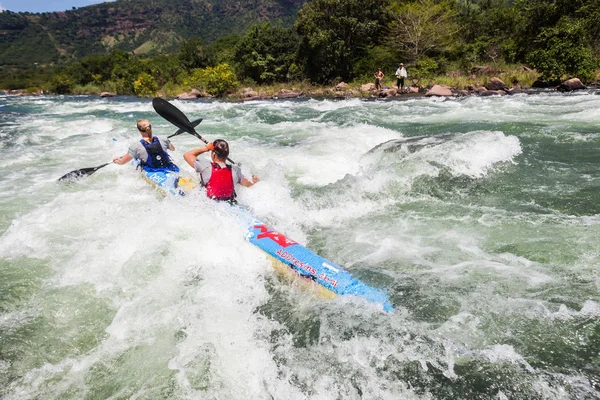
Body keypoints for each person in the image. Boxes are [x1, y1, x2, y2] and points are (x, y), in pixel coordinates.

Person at [183, 139, 259, 202]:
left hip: (208, 203)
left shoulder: (205, 166)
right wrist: (255, 181)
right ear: (227, 155)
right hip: (228, 203)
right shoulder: (235, 170)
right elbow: (249, 184)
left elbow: (187, 155)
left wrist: (206, 148)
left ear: (213, 155)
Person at [112, 119, 178, 171]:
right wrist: (167, 141)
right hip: (170, 168)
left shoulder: (135, 146)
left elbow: (122, 162)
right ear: (150, 128)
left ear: (139, 130)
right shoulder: (163, 139)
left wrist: (115, 159)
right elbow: (173, 149)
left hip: (153, 171)